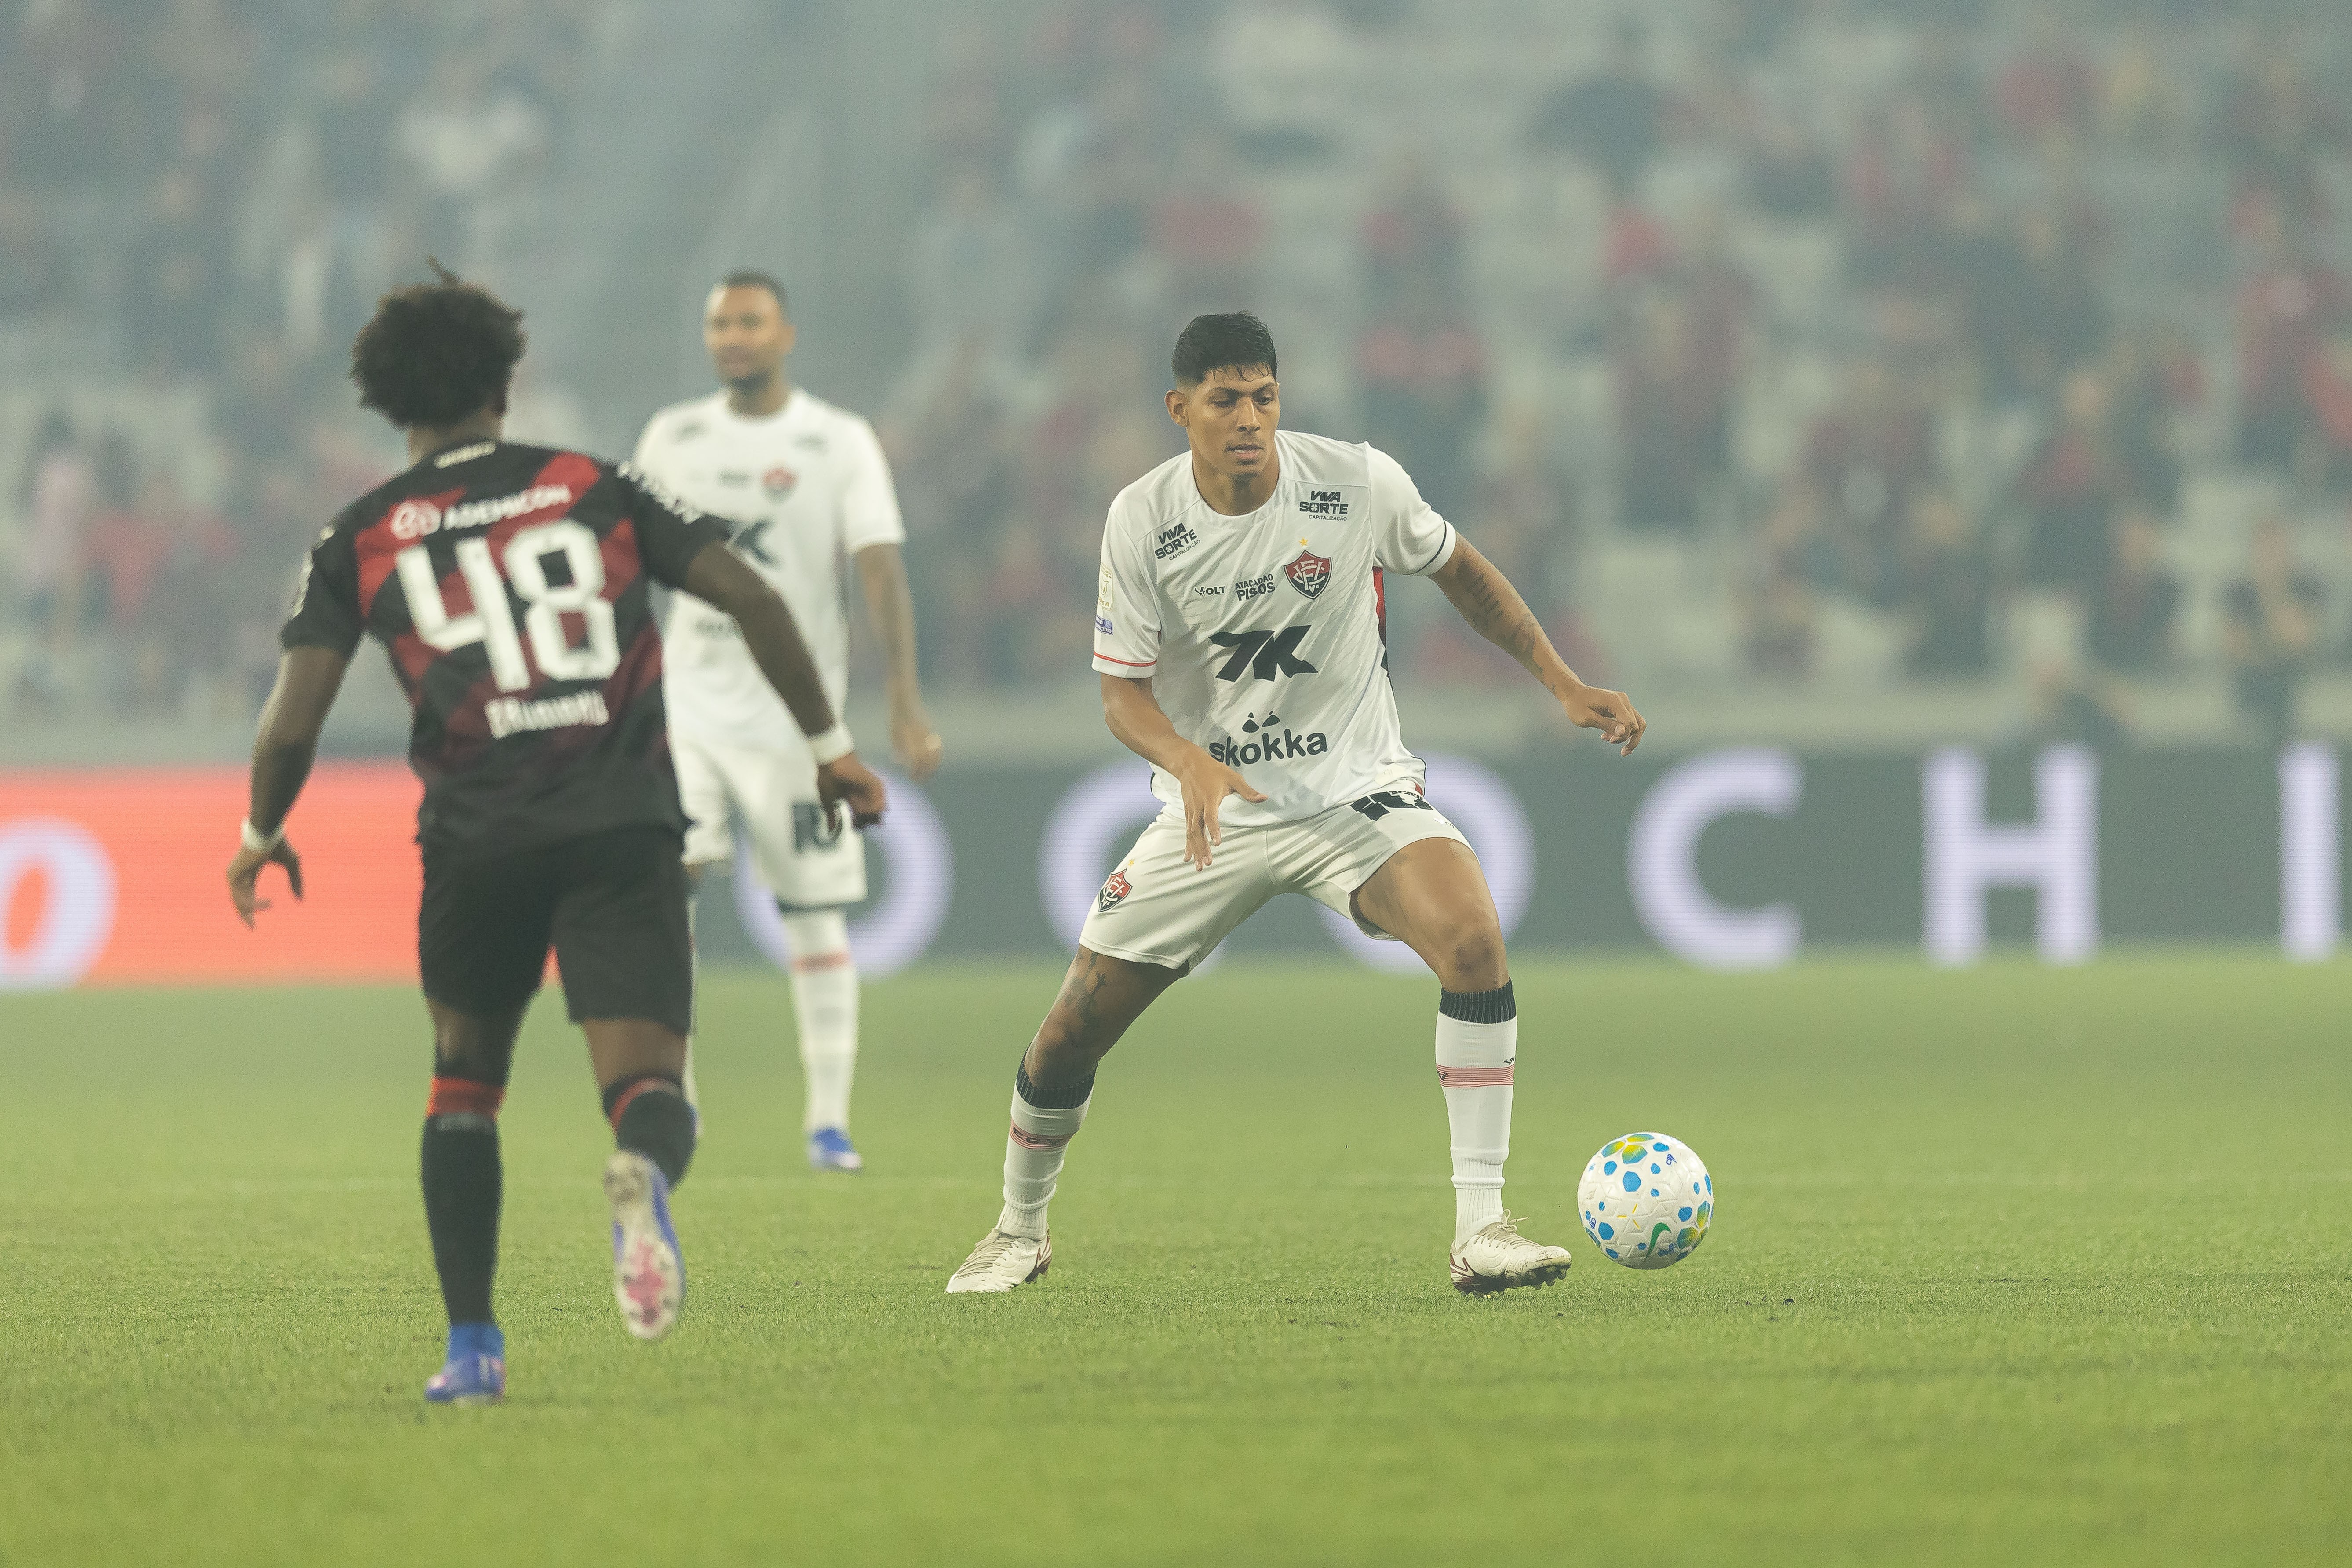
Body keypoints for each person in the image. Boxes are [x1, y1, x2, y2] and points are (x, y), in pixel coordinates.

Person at [227, 272, 886, 1404]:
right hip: (619, 820)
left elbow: (292, 720)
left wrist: (259, 830)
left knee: (462, 1084)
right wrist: (830, 747)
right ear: (504, 380)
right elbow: (755, 598)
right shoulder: (593, 484)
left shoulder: (359, 534)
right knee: (647, 1085)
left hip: (475, 835)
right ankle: (638, 1173)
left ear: (386, 401)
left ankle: (472, 1350)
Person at [944, 313, 1646, 1295]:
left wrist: (1561, 681)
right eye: (1225, 400)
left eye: (1263, 397)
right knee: (1070, 1030)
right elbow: (1120, 695)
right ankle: (1017, 1230)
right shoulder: (1141, 519)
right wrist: (1185, 760)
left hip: (1351, 790)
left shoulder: (1354, 482)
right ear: (1179, 408)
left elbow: (1458, 569)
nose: (1248, 418)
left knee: (1472, 937)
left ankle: (1481, 1227)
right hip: (1214, 810)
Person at [633, 271, 941, 1173]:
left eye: (749, 321)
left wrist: (903, 700)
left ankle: (827, 1122)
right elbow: (625, 563)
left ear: (785, 334)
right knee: (667, 889)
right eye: (719, 323)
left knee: (813, 912)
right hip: (687, 707)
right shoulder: (672, 437)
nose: (732, 336)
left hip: (796, 722)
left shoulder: (837, 440)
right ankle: (678, 1105)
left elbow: (879, 568)